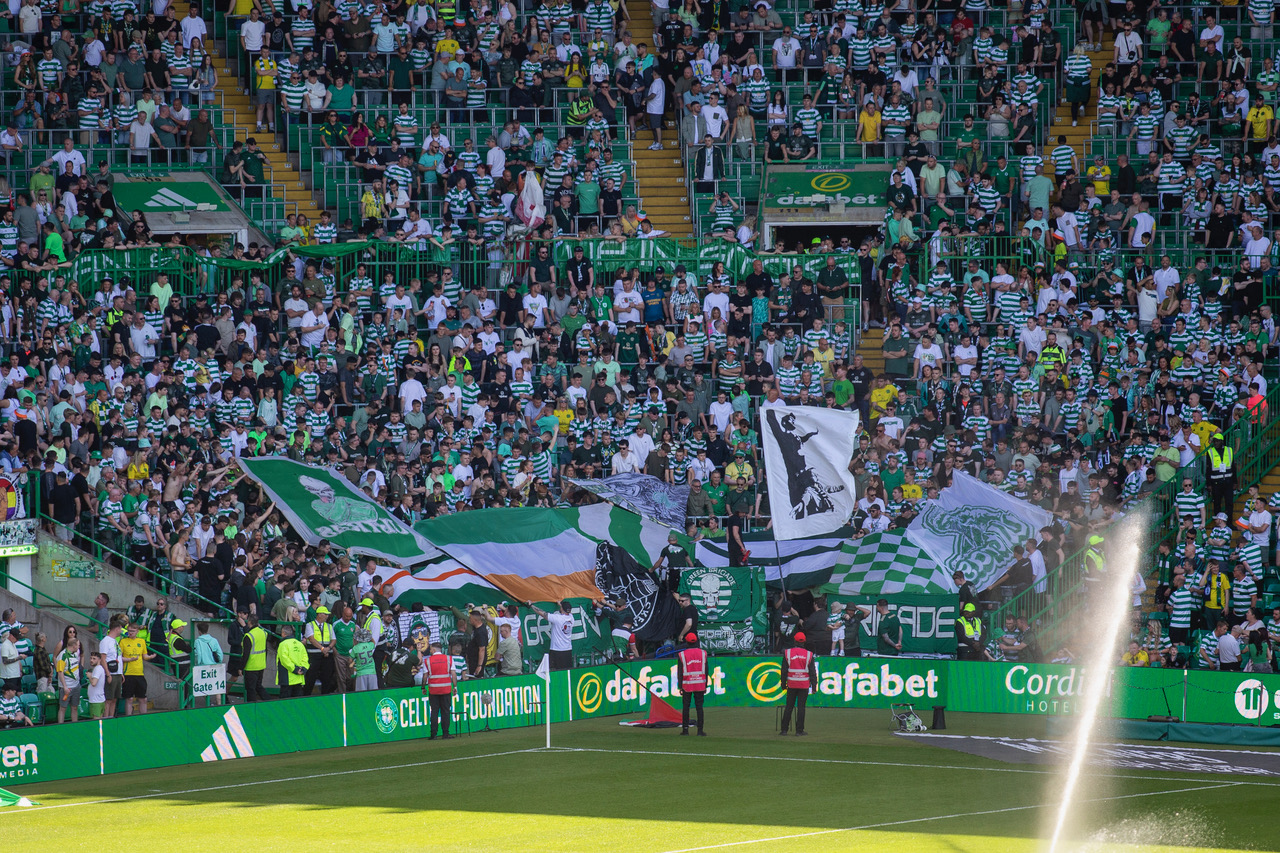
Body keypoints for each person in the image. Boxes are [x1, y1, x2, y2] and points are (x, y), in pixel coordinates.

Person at [780, 631, 817, 736]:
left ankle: (784, 730)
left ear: (794, 641)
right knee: (801, 708)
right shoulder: (809, 655)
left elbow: (784, 670)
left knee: (789, 707)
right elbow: (812, 672)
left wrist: (783, 684)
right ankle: (799, 731)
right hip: (804, 684)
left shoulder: (787, 653)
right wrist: (814, 686)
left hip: (792, 683)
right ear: (804, 642)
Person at [676, 632, 707, 736]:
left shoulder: (682, 654)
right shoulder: (703, 653)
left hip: (687, 684)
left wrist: (680, 686)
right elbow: (706, 670)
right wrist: (705, 684)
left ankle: (685, 730)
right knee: (699, 707)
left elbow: (680, 671)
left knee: (686, 707)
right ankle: (700, 730)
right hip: (700, 684)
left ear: (687, 642)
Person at [423, 640, 457, 739]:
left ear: (433, 650)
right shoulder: (449, 659)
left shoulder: (428, 661)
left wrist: (423, 687)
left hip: (433, 690)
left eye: (430, 649)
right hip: (446, 689)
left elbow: (425, 676)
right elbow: (453, 674)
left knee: (434, 711)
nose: (429, 651)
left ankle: (433, 734)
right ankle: (445, 734)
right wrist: (455, 687)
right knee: (445, 711)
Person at [528, 599, 574, 670]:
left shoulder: (557, 618)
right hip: (568, 650)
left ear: (562, 608)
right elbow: (566, 611)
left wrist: (531, 605)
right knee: (567, 671)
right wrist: (560, 604)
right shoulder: (571, 618)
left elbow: (542, 613)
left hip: (557, 650)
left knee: (555, 672)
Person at [120, 621, 154, 715]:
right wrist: (130, 659)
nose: (131, 633)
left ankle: (143, 717)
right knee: (129, 698)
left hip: (139, 673)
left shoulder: (141, 641)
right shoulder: (123, 641)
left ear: (137, 631)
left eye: (133, 631)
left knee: (143, 698)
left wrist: (150, 657)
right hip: (128, 673)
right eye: (129, 631)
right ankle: (128, 717)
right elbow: (119, 657)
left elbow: (144, 656)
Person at [304, 604, 337, 695]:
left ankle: (325, 696)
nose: (327, 616)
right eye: (325, 614)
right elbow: (311, 639)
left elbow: (334, 640)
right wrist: (323, 649)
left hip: (327, 655)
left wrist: (328, 648)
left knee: (327, 677)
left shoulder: (329, 626)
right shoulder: (309, 625)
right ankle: (306, 696)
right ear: (319, 614)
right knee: (311, 677)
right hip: (314, 655)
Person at [276, 625, 310, 698]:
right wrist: (303, 669)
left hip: (287, 679)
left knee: (285, 703)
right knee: (297, 703)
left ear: (283, 633)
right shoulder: (300, 644)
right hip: (299, 678)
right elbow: (305, 658)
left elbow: (284, 660)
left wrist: (295, 669)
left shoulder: (283, 644)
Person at [241, 616, 269, 701]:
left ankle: (251, 707)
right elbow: (265, 649)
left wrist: (241, 667)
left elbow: (246, 654)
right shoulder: (264, 633)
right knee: (258, 686)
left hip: (251, 666)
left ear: (249, 622)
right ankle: (268, 701)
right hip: (261, 665)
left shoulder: (248, 636)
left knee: (250, 689)